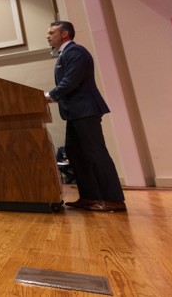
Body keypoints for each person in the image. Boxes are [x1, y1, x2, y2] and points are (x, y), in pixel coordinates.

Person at [45, 20, 125, 212]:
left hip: (85, 110)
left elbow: (70, 82)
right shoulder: (65, 54)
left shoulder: (76, 52)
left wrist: (48, 96)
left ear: (65, 34)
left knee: (96, 153)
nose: (48, 36)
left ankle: (114, 200)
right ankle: (90, 197)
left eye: (52, 32)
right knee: (76, 153)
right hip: (76, 112)